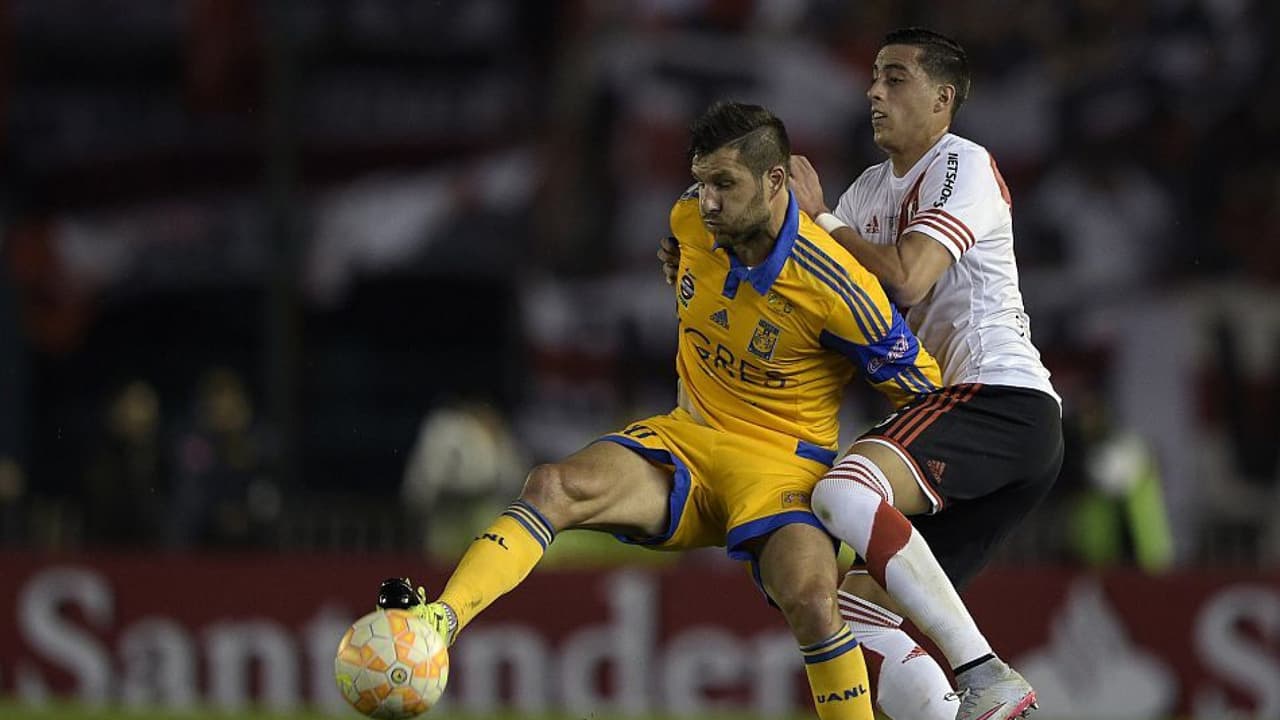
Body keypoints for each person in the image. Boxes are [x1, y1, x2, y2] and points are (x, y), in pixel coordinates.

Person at [380, 100, 945, 720]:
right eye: (701, 182)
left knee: (813, 601)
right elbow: (689, 267)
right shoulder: (690, 220)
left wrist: (866, 496)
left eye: (724, 184)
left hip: (783, 470)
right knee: (551, 485)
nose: (706, 201)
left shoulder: (839, 286)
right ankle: (438, 622)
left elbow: (925, 398)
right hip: (689, 438)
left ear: (776, 181)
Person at [657, 28, 1063, 720]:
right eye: (874, 77)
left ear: (943, 99)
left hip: (1000, 398)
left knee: (843, 492)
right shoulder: (869, 191)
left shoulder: (962, 165)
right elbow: (819, 303)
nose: (874, 90)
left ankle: (984, 672)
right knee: (854, 608)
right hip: (956, 422)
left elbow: (906, 278)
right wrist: (707, 265)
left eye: (895, 78)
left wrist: (822, 218)